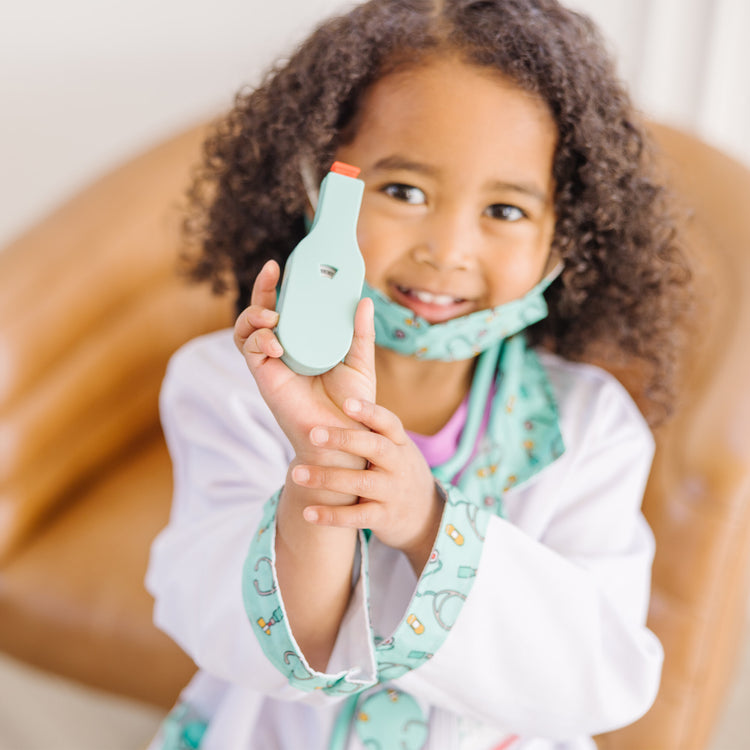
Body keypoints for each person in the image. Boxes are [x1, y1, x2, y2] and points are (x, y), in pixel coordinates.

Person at [145, 1, 690, 748]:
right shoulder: (228, 385)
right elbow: (237, 627)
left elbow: (599, 677)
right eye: (404, 192)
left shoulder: (591, 426)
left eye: (505, 210)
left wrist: (427, 522)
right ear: (317, 184)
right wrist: (326, 469)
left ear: (567, 234)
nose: (448, 249)